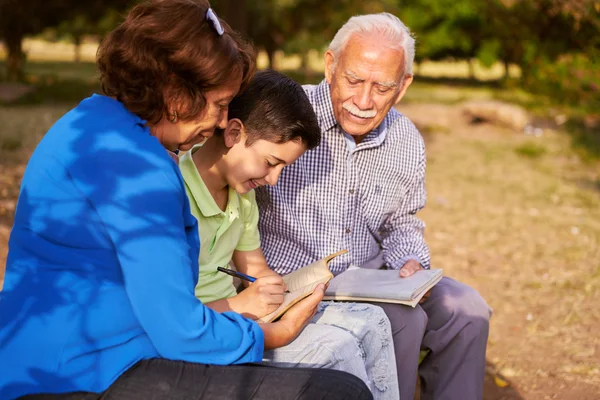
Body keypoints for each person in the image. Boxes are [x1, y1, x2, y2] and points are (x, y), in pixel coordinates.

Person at [0, 1, 372, 399]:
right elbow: (182, 331)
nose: (220, 121)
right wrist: (274, 333)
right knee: (335, 391)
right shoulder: (133, 166)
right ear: (176, 92)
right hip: (78, 373)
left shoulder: (90, 123)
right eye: (219, 104)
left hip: (71, 352)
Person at [256, 13, 493, 400]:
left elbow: (401, 221)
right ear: (330, 65)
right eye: (353, 80)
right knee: (402, 318)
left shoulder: (406, 138)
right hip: (292, 282)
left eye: (382, 87)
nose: (364, 101)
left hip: (370, 277)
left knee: (468, 311)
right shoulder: (282, 112)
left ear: (403, 87)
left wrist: (411, 263)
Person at [179, 69, 399, 399]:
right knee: (337, 348)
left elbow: (254, 268)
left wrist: (282, 289)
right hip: (208, 329)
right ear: (234, 133)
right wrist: (240, 303)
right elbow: (174, 314)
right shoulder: (174, 193)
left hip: (245, 314)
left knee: (373, 320)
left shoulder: (242, 195)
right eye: (270, 162)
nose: (274, 180)